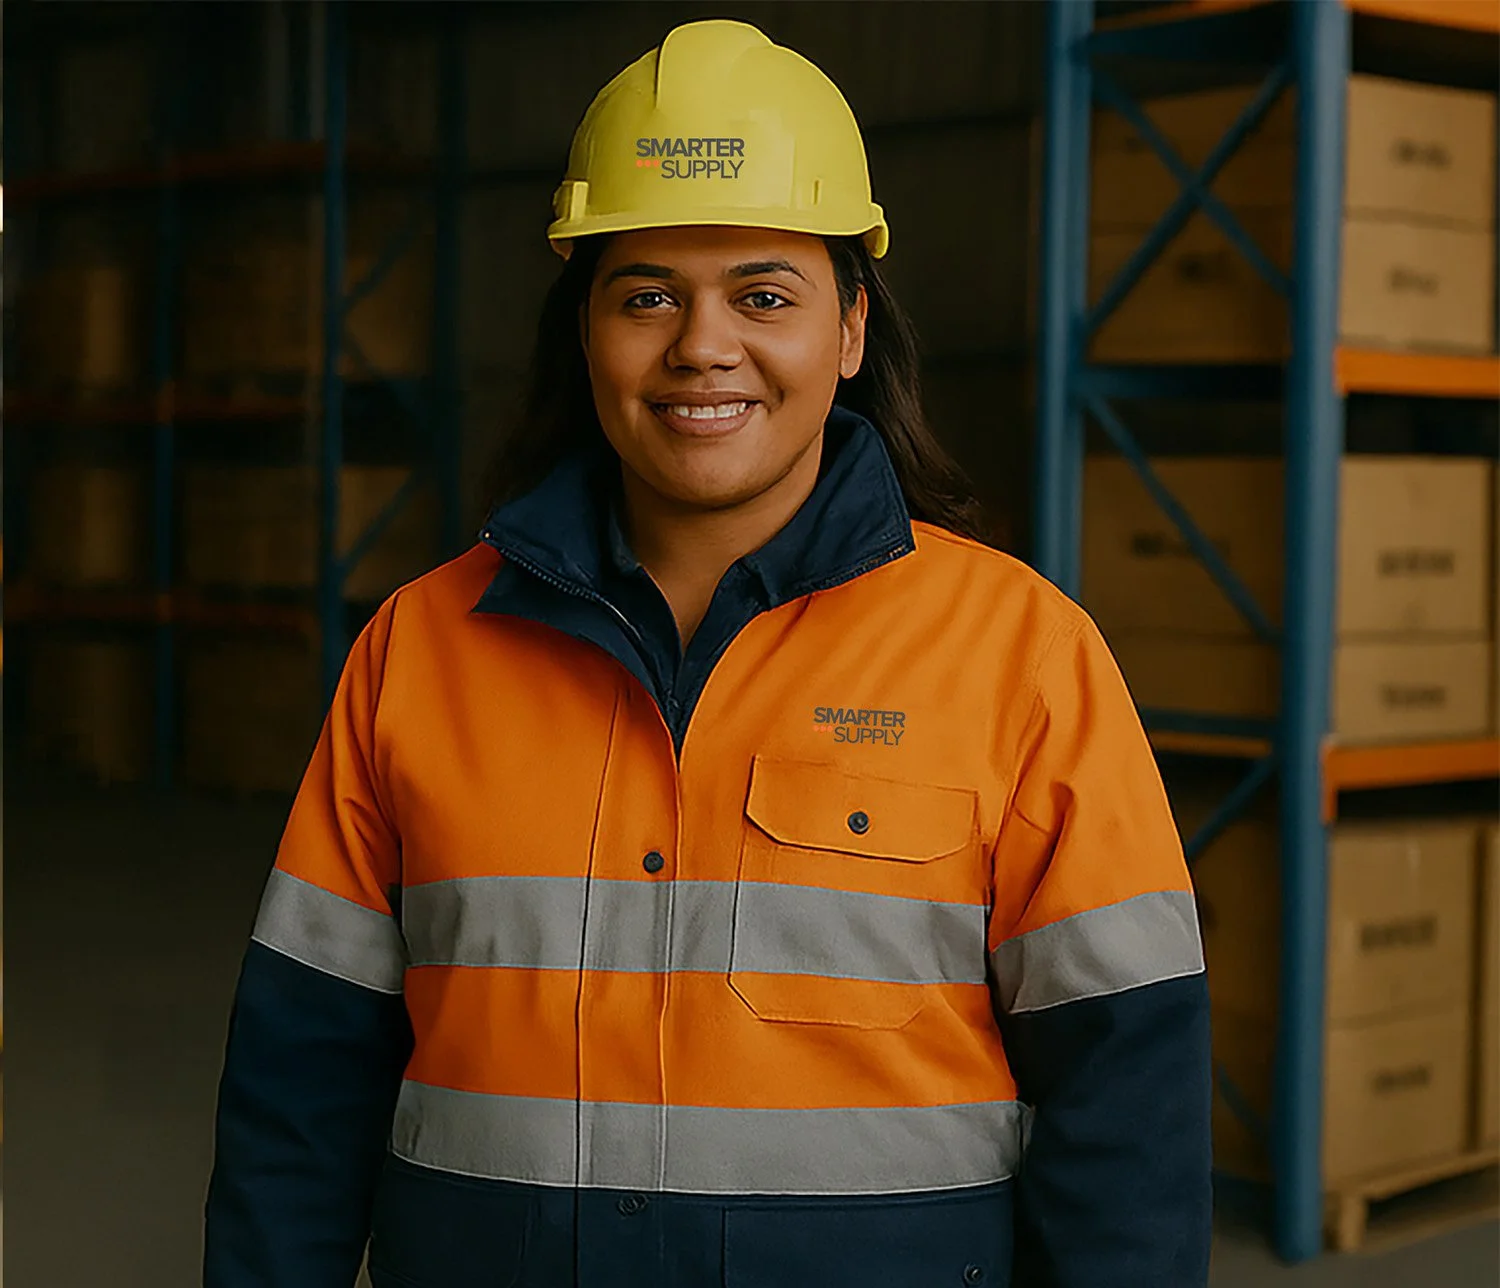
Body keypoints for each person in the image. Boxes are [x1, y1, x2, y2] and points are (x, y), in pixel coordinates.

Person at [204, 18, 1211, 1288]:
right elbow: (299, 1082)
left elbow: (1130, 1104)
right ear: (586, 333)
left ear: (850, 328)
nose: (702, 345)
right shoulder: (420, 650)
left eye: (764, 294)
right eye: (646, 296)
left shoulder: (1023, 657)